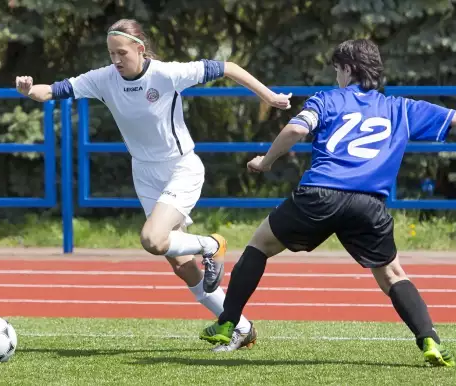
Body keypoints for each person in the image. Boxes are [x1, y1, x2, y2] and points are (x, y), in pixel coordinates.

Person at [199, 39, 456, 359]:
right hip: (369, 205)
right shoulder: (400, 108)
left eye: (337, 70)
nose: (335, 77)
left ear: (347, 69)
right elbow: (451, 116)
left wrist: (266, 161)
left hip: (320, 194)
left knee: (259, 245)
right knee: (393, 274)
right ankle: (430, 340)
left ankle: (228, 322)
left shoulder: (327, 100)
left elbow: (297, 130)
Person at [15, 18, 292, 350]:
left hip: (181, 168)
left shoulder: (167, 74)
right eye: (111, 53)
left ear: (140, 49)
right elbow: (54, 90)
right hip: (144, 174)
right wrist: (29, 90)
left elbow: (228, 67)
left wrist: (270, 97)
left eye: (121, 53)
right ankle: (240, 326)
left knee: (152, 238)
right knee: (179, 264)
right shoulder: (104, 78)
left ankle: (210, 245)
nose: (116, 60)